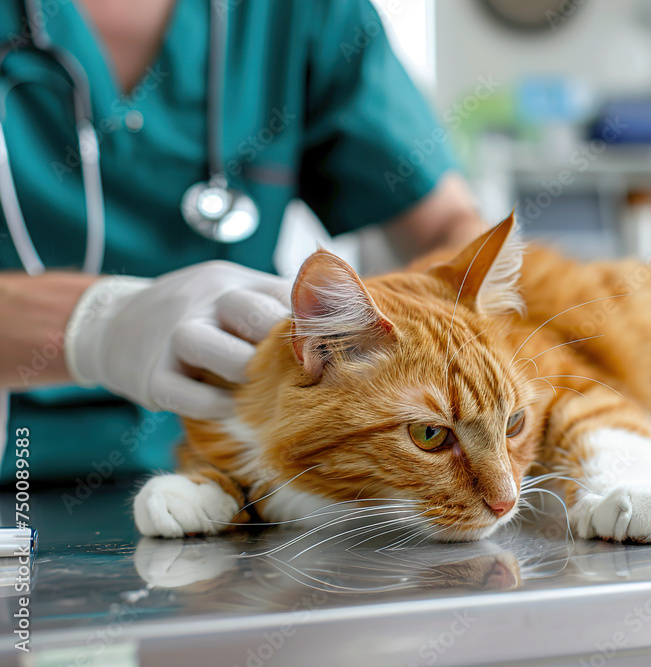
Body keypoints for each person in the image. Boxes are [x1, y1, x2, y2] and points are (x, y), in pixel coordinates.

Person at [0, 0, 482, 483]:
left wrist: (480, 370)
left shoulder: (303, 14)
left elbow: (447, 225)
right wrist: (99, 324)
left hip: (242, 471)